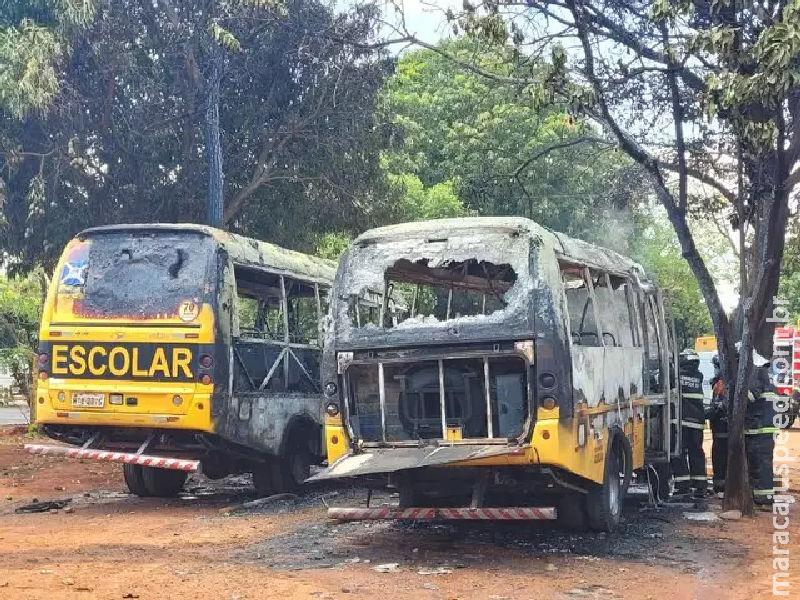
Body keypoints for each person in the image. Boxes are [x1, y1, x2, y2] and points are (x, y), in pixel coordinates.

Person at [742, 344, 778, 506]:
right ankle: (764, 497)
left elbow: (749, 397)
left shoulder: (757, 373)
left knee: (759, 464)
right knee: (764, 463)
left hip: (759, 427)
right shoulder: (769, 375)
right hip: (767, 427)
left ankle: (762, 498)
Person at [670, 349, 708, 497]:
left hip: (682, 422)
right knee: (697, 453)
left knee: (679, 452)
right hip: (697, 423)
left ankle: (683, 485)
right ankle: (700, 486)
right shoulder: (698, 376)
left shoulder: (677, 376)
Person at [707, 354, 728, 494]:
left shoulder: (723, 384)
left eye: (716, 366)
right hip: (718, 430)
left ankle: (722, 485)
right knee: (718, 457)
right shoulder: (717, 383)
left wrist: (710, 412)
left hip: (723, 429)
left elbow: (720, 406)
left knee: (721, 457)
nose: (714, 369)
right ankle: (719, 485)